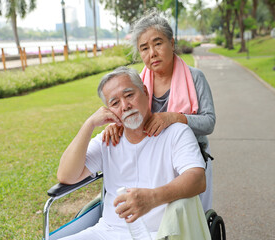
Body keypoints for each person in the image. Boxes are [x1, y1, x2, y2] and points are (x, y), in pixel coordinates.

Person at [57, 66, 207, 240]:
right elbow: (66, 175)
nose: (125, 106)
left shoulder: (176, 133)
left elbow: (197, 179)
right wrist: (89, 125)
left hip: (158, 234)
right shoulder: (108, 139)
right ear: (108, 110)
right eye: (115, 103)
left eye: (129, 95)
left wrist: (152, 198)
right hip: (107, 231)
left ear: (144, 91)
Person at [103, 12, 216, 212]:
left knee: (189, 218)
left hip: (190, 160)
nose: (152, 53)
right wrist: (117, 125)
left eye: (157, 43)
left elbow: (209, 122)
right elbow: (129, 113)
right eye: (144, 48)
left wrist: (174, 118)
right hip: (153, 161)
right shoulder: (137, 83)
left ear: (171, 43)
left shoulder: (195, 77)